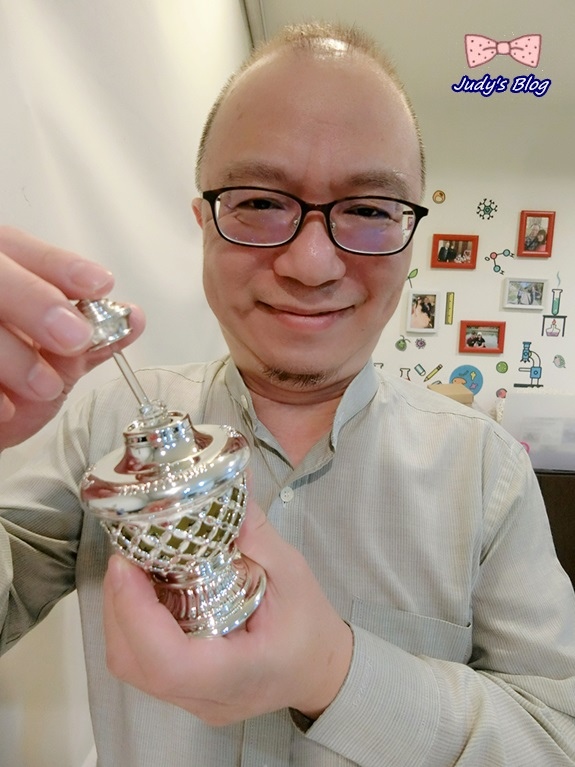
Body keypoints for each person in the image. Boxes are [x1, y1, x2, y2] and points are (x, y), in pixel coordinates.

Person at [1, 21, 574, 767]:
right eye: (259, 202)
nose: (310, 263)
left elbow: (557, 736)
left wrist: (334, 672)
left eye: (368, 210)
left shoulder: (487, 472)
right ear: (204, 221)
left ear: (410, 237)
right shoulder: (101, 431)